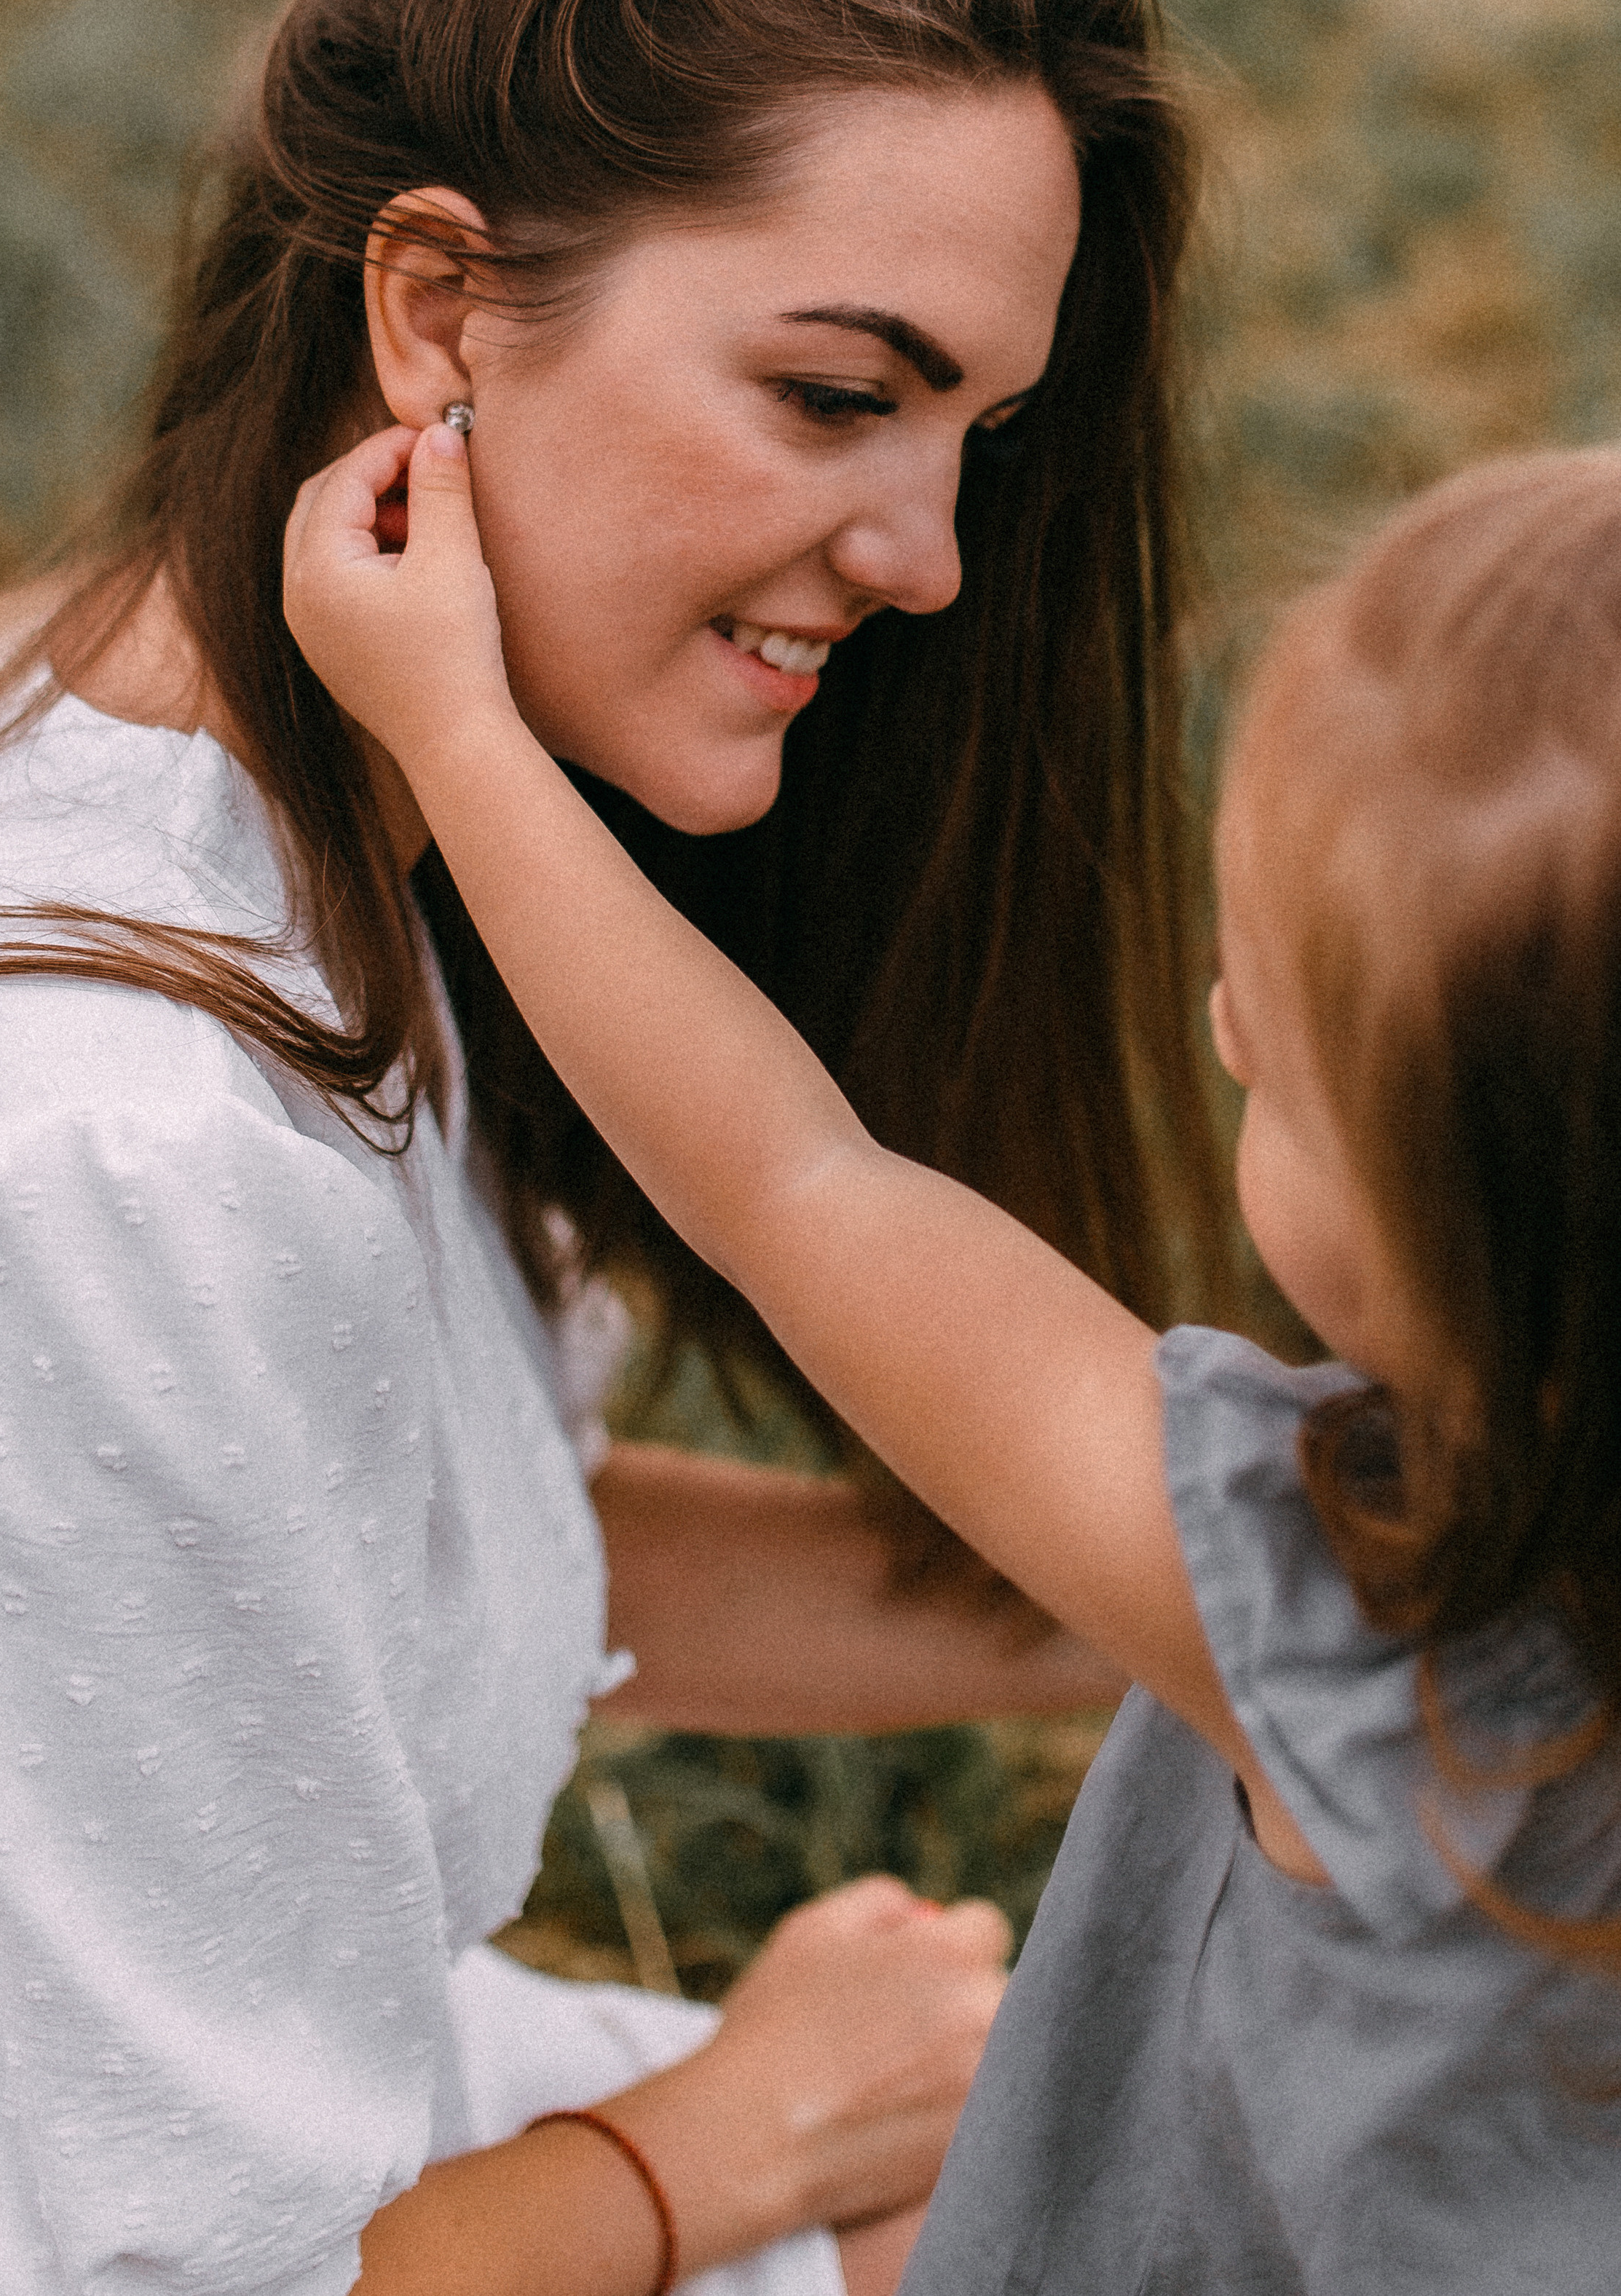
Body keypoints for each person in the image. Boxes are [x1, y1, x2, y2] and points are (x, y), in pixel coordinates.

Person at [0, 0, 1230, 2296]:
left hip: (358, 2110)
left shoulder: (217, 762)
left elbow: (376, 1549)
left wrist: (1224, 1574)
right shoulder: (120, 1146)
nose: (935, 560)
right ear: (432, 311)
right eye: (841, 395)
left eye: (980, 433)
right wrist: (725, 2135)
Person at [285, 430, 1621, 2292]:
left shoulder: (1368, 1633)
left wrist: (455, 729)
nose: (1221, 1025)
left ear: (1480, 1238)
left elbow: (794, 1180)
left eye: (1277, 1043)